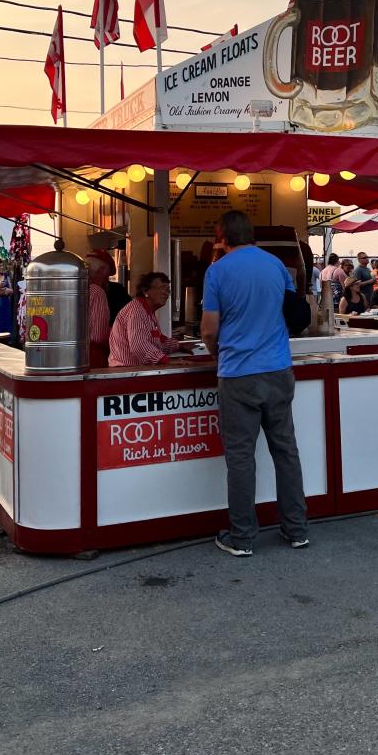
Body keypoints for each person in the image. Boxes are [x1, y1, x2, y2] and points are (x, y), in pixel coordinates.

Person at [201, 210, 308, 557]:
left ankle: (243, 537)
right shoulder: (276, 265)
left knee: (241, 457)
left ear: (222, 237)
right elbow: (293, 311)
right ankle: (296, 530)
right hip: (278, 369)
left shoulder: (217, 271)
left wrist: (217, 352)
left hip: (238, 375)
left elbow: (208, 328)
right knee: (286, 452)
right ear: (252, 235)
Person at [108, 272, 181, 367]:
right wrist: (165, 360)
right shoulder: (136, 310)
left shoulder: (148, 312)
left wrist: (179, 346)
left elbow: (159, 340)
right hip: (126, 371)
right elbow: (139, 346)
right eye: (162, 288)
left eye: (168, 290)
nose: (166, 293)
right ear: (145, 291)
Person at [86, 254, 113, 369]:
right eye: (107, 276)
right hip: (92, 356)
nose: (107, 281)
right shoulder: (97, 292)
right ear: (100, 271)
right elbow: (98, 335)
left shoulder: (74, 289)